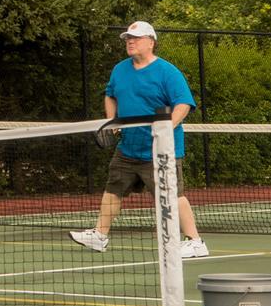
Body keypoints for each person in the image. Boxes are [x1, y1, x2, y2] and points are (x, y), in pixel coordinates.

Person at [70, 21, 209, 259]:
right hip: (128, 148)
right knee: (113, 189)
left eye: (135, 38)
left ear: (151, 42)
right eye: (128, 38)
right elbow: (110, 95)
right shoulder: (120, 70)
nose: (130, 42)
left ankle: (196, 242)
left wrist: (166, 128)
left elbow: (184, 104)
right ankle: (100, 235)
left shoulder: (168, 72)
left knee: (172, 196)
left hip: (161, 150)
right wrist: (112, 121)